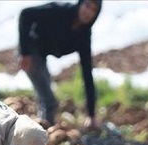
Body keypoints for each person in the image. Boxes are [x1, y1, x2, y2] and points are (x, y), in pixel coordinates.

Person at [18, 0, 102, 129]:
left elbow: (87, 72)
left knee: (45, 98)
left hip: (42, 55)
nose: (88, 12)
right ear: (80, 4)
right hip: (31, 51)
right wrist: (25, 52)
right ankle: (40, 135)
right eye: (87, 6)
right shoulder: (59, 11)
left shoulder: (84, 35)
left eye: (94, 10)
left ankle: (40, 131)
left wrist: (91, 114)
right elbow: (26, 14)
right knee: (49, 101)